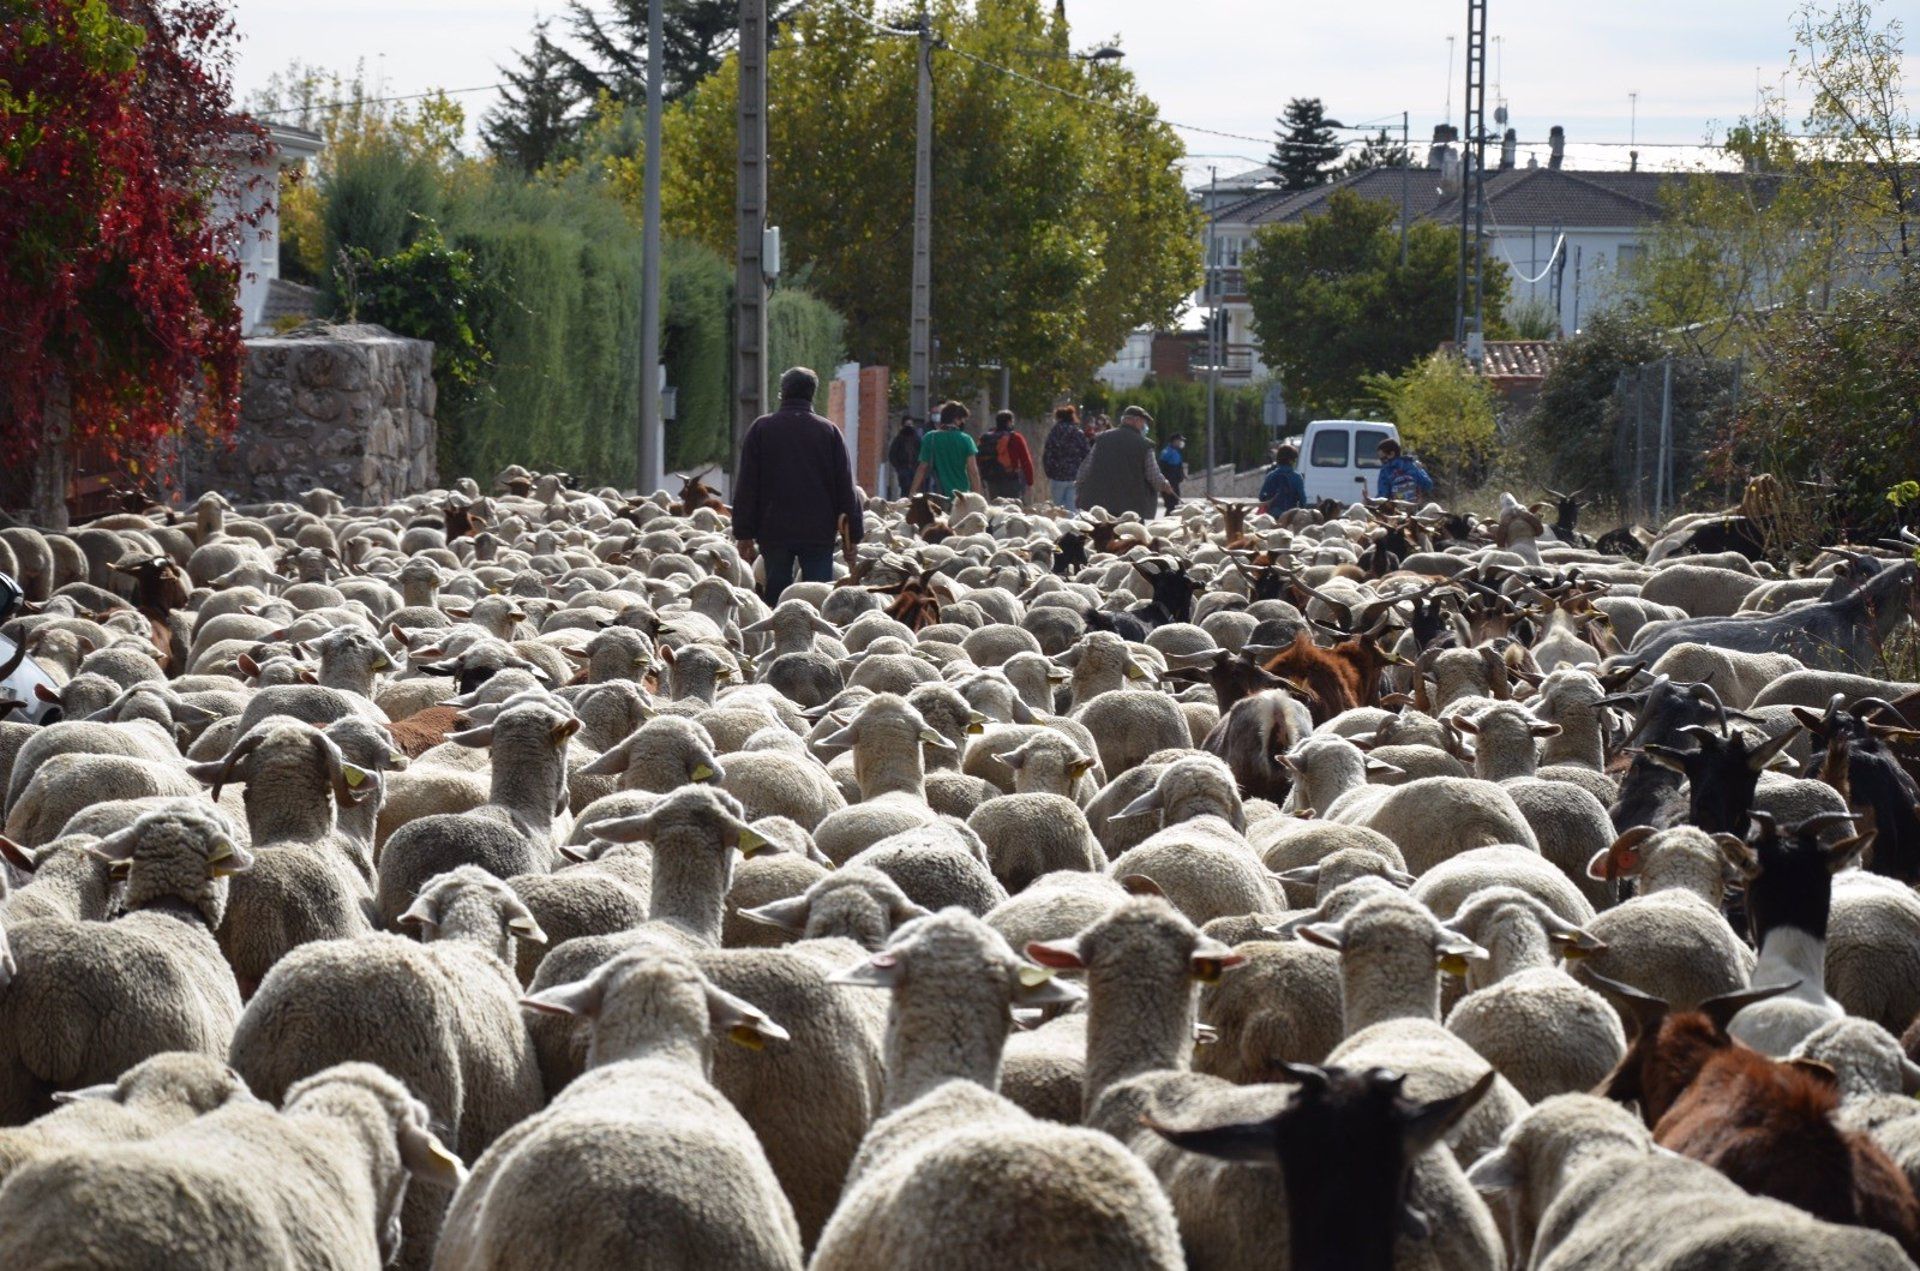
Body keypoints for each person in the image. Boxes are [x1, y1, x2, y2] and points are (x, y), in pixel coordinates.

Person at [731, 365, 864, 606]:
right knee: (818, 595)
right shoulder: (829, 431)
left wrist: (744, 533)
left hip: (774, 529)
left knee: (777, 594)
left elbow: (748, 484)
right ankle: (818, 640)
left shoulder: (762, 428)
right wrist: (853, 535)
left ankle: (777, 637)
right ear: (813, 394)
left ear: (782, 392)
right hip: (818, 531)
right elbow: (845, 485)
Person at [1075, 404, 1174, 519]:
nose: (1144, 426)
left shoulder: (1102, 438)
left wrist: (1079, 489)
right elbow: (1153, 475)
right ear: (1135, 420)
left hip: (1097, 507)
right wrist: (1164, 485)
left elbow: (1085, 468)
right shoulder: (1144, 445)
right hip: (1130, 510)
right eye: (1143, 422)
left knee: (1100, 537)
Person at [909, 400, 982, 497]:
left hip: (937, 495)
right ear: (956, 419)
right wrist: (977, 497)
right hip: (961, 496)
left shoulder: (930, 437)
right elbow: (973, 471)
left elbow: (922, 468)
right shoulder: (966, 439)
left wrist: (912, 492)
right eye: (962, 419)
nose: (963, 422)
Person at [975, 410, 1035, 503]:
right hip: (1011, 479)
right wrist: (1030, 483)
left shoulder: (985, 438)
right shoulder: (1015, 437)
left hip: (991, 479)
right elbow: (1026, 461)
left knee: (997, 509)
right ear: (1009, 422)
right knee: (1013, 509)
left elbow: (978, 458)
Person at [1040, 405, 1091, 511]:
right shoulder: (1078, 433)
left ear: (1058, 418)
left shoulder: (1054, 433)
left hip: (1057, 476)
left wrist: (1049, 473)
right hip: (1074, 476)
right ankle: (1072, 527)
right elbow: (1087, 455)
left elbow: (1048, 454)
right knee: (1072, 508)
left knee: (1057, 509)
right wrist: (1083, 474)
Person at [1375, 437, 1435, 503]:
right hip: (1413, 509)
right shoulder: (1412, 465)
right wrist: (1421, 469)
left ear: (1392, 454)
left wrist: (1372, 502)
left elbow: (1383, 495)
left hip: (1396, 510)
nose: (1382, 462)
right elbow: (1428, 485)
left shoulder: (1385, 470)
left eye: (1383, 459)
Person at [1259, 442, 1307, 515]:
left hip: (1272, 516)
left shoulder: (1270, 476)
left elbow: (1262, 497)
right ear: (1291, 461)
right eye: (1295, 460)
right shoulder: (1297, 477)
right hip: (1290, 517)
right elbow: (1303, 501)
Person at [887, 416, 923, 497]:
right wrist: (899, 467)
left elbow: (921, 452)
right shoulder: (899, 439)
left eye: (911, 424)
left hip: (914, 469)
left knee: (915, 491)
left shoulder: (917, 439)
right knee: (905, 490)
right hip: (903, 469)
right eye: (907, 424)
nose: (909, 426)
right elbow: (892, 454)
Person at [1157, 433, 1187, 513]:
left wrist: (1182, 474)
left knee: (1175, 505)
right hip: (1169, 484)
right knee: (1171, 506)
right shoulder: (1166, 453)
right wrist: (1166, 484)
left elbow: (1178, 466)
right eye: (1180, 440)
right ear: (1175, 441)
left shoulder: (1176, 452)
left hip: (1175, 483)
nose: (1181, 443)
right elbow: (1162, 469)